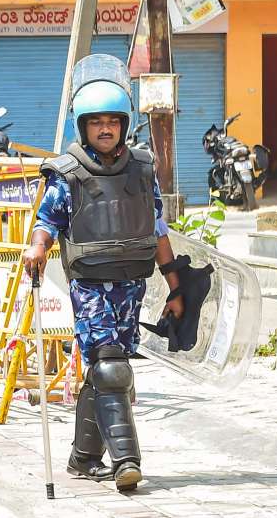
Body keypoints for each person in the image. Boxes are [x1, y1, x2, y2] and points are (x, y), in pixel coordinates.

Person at [22, 54, 184, 493]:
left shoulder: (143, 168)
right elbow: (47, 222)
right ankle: (126, 462)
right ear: (83, 126)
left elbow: (157, 228)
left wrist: (175, 284)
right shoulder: (67, 174)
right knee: (112, 367)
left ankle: (83, 456)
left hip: (132, 282)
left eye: (114, 121)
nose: (106, 129)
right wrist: (36, 250)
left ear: (125, 124)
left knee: (105, 368)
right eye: (97, 122)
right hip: (90, 283)